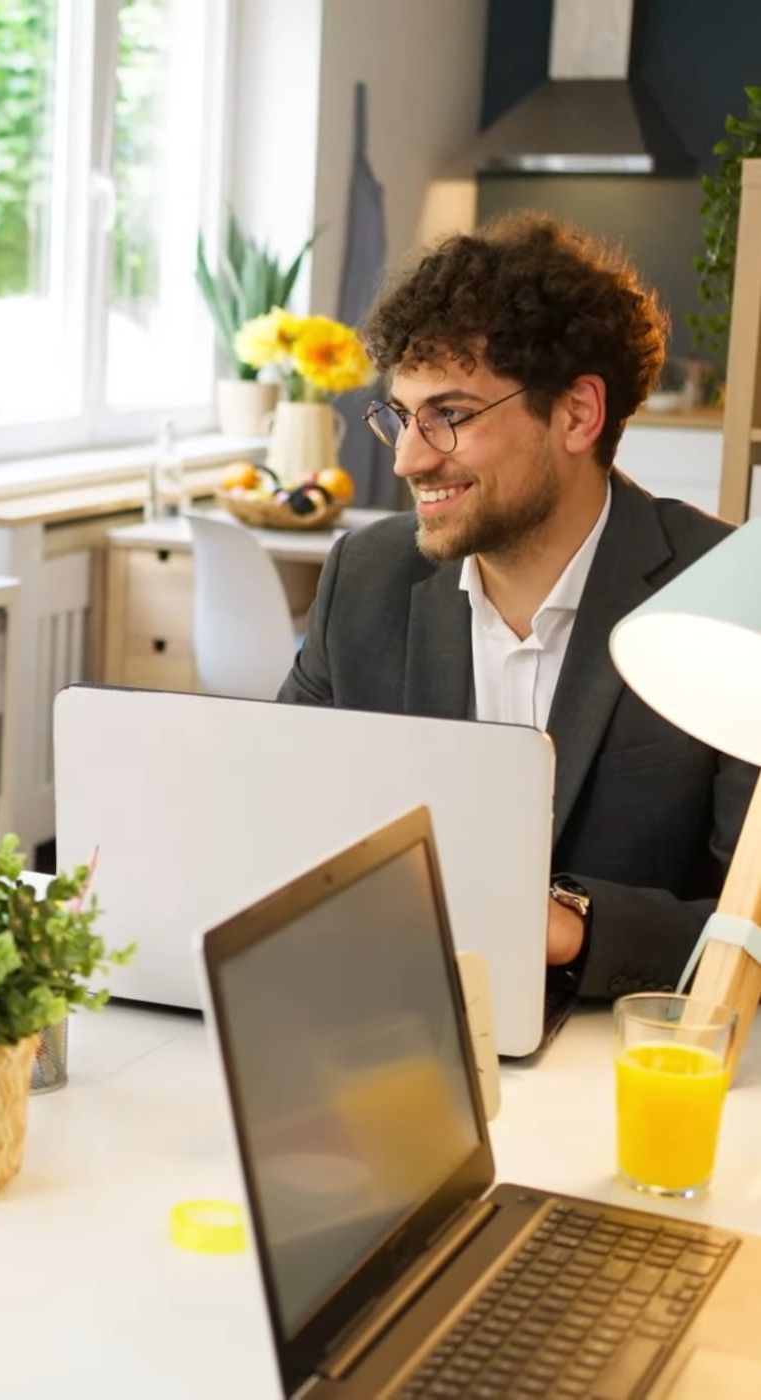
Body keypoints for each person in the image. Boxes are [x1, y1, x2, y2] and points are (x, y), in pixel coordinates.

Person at [280, 213, 758, 1001]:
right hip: (395, 1010)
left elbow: (752, 923)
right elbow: (280, 824)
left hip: (618, 1045)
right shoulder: (365, 577)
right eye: (400, 416)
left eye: (450, 415)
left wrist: (573, 926)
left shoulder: (720, 598)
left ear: (577, 414)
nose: (408, 459)